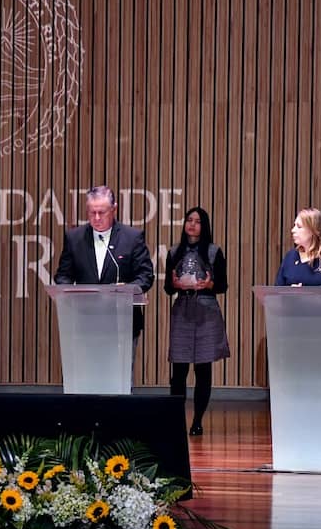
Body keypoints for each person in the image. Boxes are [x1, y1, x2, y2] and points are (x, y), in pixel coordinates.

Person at [54, 185, 155, 340]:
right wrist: (70, 293)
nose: (96, 218)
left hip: (123, 321)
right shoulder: (74, 238)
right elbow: (63, 276)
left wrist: (127, 291)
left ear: (114, 209)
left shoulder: (132, 238)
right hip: (84, 321)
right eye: (91, 212)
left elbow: (145, 275)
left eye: (101, 212)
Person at [164, 207, 230, 436]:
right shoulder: (174, 251)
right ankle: (176, 420)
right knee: (179, 370)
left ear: (205, 226)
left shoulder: (214, 251)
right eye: (189, 220)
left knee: (203, 369)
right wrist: (174, 285)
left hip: (206, 309)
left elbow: (222, 285)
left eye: (198, 221)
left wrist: (209, 285)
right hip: (183, 307)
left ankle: (198, 421)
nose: (192, 224)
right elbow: (167, 288)